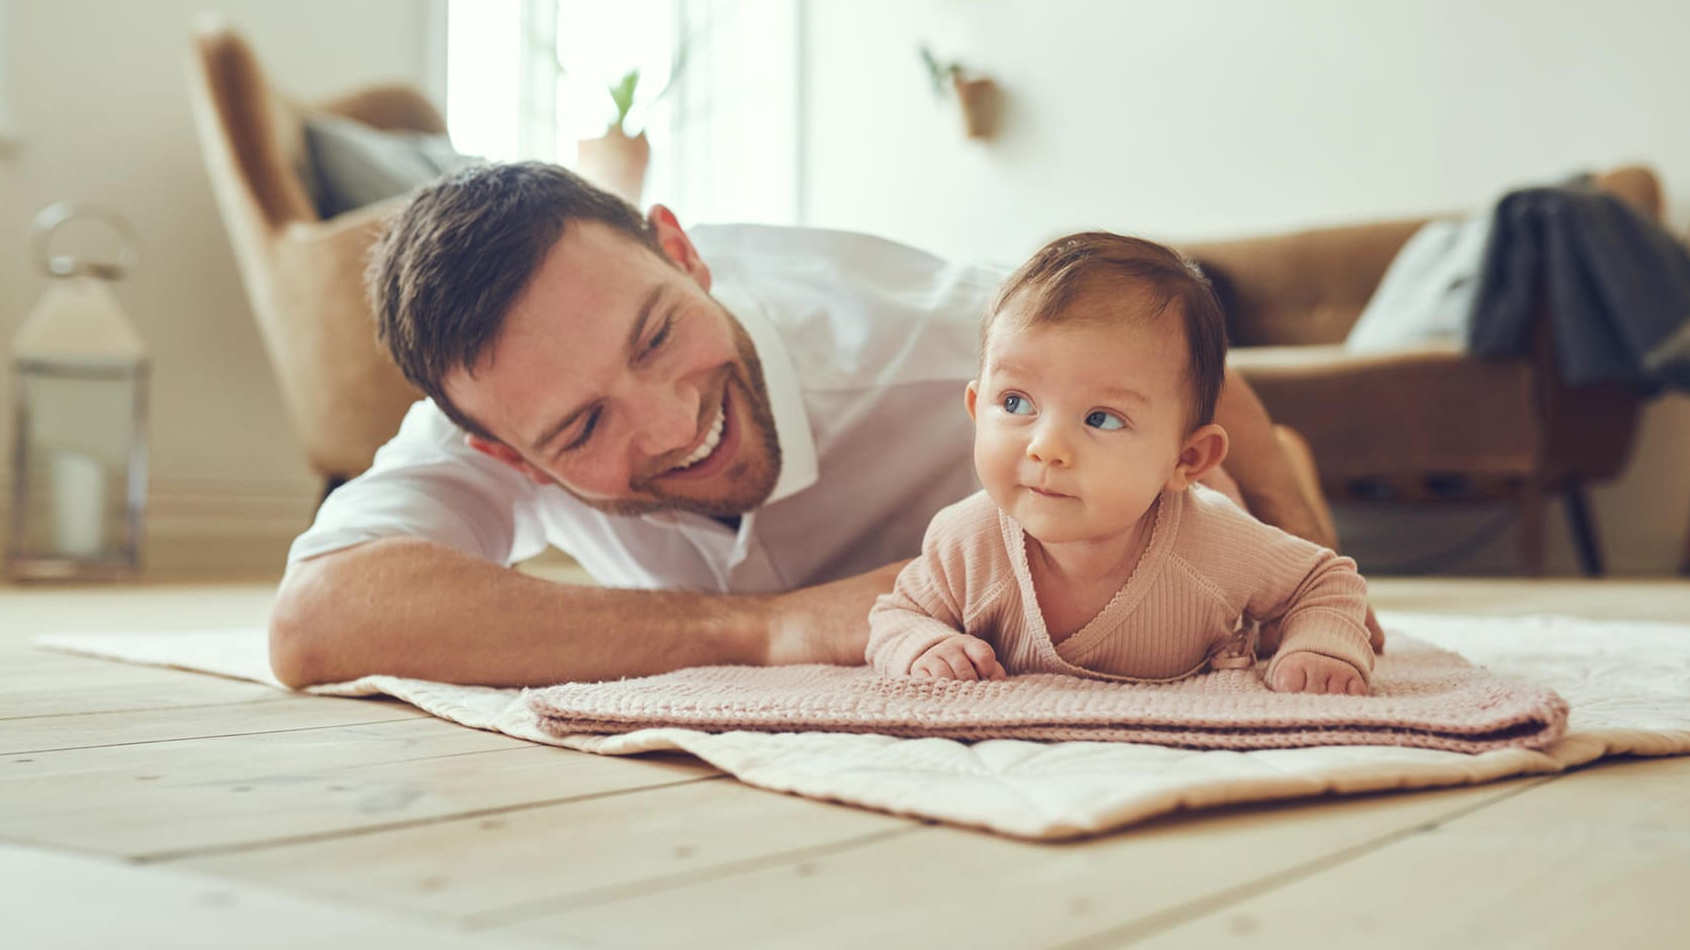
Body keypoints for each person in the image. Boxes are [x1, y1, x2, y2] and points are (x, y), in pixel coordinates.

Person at [269, 162, 1381, 689]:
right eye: (584, 427)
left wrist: (1311, 549)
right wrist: (756, 629)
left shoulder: (933, 341)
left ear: (682, 250)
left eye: (659, 335)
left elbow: (1176, 369)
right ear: (507, 454)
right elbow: (317, 620)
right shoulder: (492, 405)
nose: (672, 424)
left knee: (1224, 521)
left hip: (1147, 515)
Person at [866, 232, 1374, 694]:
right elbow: (897, 614)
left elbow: (1324, 581)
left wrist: (1320, 646)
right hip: (1171, 482)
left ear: (1187, 457)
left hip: (1205, 504)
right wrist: (922, 644)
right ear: (978, 410)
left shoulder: (1218, 543)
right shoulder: (966, 540)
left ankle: (1280, 456)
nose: (1046, 447)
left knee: (1251, 536)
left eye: (1101, 419)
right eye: (1017, 403)